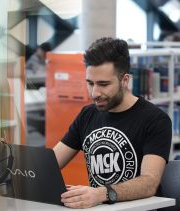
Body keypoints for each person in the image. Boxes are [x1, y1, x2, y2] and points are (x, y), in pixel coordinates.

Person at [53, 37, 172, 208]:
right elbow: (50, 163)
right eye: (90, 83)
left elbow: (149, 183)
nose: (94, 93)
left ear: (125, 80)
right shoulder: (88, 114)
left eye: (103, 84)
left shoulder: (155, 120)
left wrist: (101, 193)